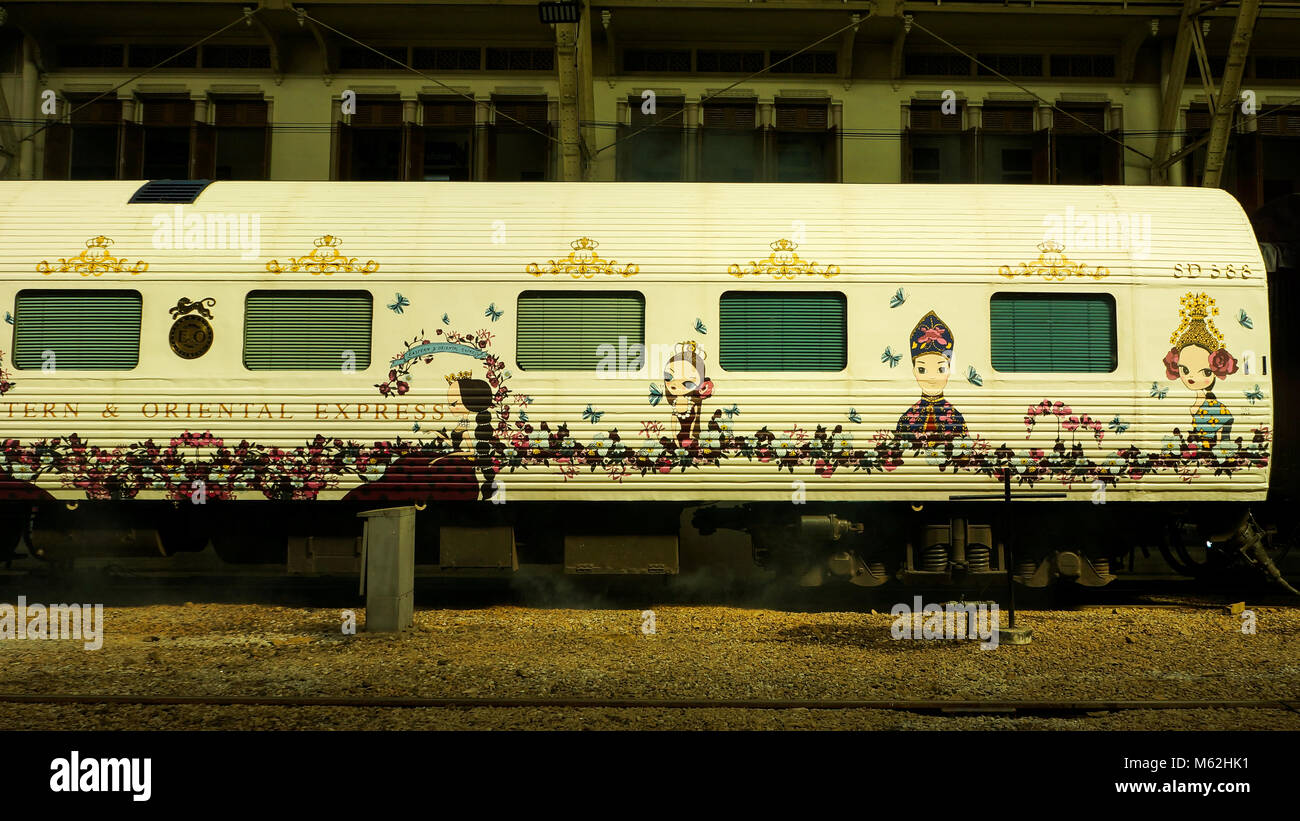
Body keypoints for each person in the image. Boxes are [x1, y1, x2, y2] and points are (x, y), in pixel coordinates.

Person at [346, 371, 496, 502]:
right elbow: (454, 443)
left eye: (454, 403)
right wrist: (436, 433)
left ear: (469, 403)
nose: (450, 407)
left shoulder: (468, 428)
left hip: (458, 466)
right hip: (451, 460)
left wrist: (440, 458)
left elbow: (469, 452)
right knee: (409, 462)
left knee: (415, 468)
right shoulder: (463, 425)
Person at [1162, 292, 1238, 449]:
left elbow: (1223, 431)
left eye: (1205, 372)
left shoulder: (1215, 408)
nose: (1191, 377)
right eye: (1185, 369)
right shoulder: (1202, 403)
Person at [896, 310, 967, 445]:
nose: (932, 377)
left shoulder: (956, 418)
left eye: (941, 369)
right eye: (922, 370)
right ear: (914, 371)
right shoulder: (906, 419)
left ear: (949, 371)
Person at [664, 341, 713, 448]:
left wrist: (691, 437)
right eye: (669, 377)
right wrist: (676, 442)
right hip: (680, 438)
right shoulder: (675, 406)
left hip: (690, 439)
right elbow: (673, 429)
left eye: (688, 383)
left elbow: (694, 422)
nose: (675, 383)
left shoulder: (693, 405)